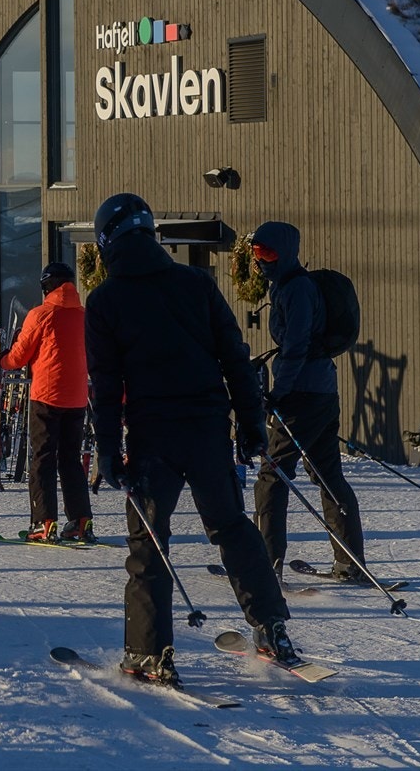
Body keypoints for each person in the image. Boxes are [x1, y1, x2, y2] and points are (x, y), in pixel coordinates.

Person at [84, 192, 299, 684]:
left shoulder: (106, 300)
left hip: (152, 437)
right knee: (232, 528)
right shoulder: (195, 283)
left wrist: (108, 452)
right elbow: (235, 361)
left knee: (149, 544)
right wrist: (249, 428)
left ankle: (148, 652)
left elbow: (105, 384)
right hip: (206, 429)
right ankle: (271, 626)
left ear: (106, 241)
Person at [248, 220, 366, 581]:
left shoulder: (297, 289)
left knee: (272, 474)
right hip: (321, 392)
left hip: (301, 394)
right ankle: (350, 562)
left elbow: (296, 345)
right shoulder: (289, 286)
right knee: (327, 473)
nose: (260, 261)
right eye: (255, 254)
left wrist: (279, 392)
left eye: (267, 253)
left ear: (285, 253)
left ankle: (266, 564)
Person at [0, 262, 94, 543]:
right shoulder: (85, 316)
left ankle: (44, 521)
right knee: (70, 460)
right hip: (77, 397)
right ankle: (80, 520)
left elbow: (19, 357)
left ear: (46, 287)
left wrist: (2, 361)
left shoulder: (40, 315)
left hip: (46, 396)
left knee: (42, 459)